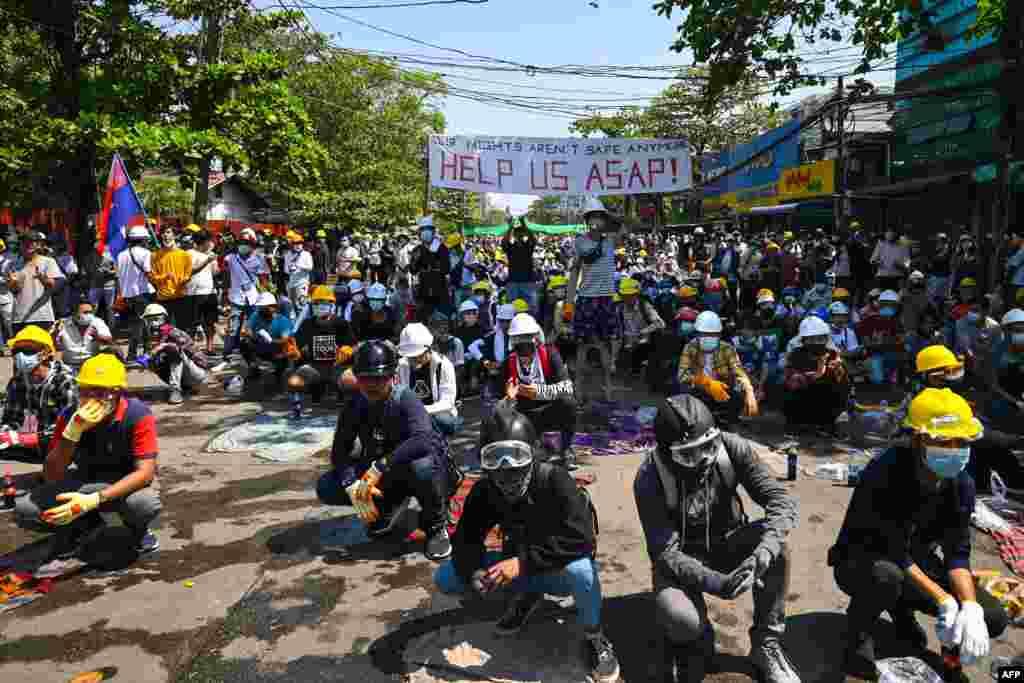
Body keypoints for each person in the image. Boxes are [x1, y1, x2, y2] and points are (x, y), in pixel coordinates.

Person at [434, 403, 620, 683]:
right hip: (522, 564)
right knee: (447, 577)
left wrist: (522, 563)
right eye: (495, 458)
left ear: (532, 454)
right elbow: (465, 541)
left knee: (581, 571)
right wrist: (474, 572)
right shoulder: (485, 490)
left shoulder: (554, 479)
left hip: (555, 570)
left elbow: (581, 539)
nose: (505, 470)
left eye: (515, 457)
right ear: (484, 462)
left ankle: (595, 637)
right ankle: (527, 596)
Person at [829, 388, 1008, 679]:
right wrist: (944, 600)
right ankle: (858, 635)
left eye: (960, 441)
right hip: (865, 559)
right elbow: (893, 549)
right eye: (943, 441)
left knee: (991, 616)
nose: (953, 449)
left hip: (916, 562)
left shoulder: (962, 483)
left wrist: (969, 608)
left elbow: (957, 555)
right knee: (886, 577)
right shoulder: (884, 472)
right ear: (917, 439)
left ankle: (949, 657)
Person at [634, 395, 800, 683]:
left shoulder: (731, 447)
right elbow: (665, 553)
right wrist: (718, 583)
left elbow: (779, 500)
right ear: (666, 452)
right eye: (688, 454)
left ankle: (766, 643)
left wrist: (764, 550)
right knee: (680, 619)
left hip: (730, 540)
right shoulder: (649, 477)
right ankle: (697, 636)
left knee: (779, 548)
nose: (704, 460)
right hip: (683, 557)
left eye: (709, 447)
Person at [14, 354, 161, 559]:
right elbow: (52, 474)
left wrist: (94, 499)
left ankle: (138, 530)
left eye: (99, 391)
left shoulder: (137, 415)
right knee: (26, 510)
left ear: (117, 393)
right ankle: (84, 527)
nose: (91, 397)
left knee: (143, 505)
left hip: (127, 481)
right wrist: (71, 433)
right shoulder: (70, 416)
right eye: (85, 390)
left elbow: (145, 473)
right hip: (86, 478)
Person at [318, 340, 453, 560]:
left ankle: (436, 525)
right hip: (380, 472)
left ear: (392, 377)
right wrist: (350, 482)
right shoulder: (354, 404)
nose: (371, 385)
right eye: (365, 379)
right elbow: (339, 451)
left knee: (423, 467)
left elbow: (424, 440)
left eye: (378, 379)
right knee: (327, 486)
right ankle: (388, 505)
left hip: (408, 468)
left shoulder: (406, 399)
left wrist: (382, 465)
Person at [568, 197, 625, 405]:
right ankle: (579, 389)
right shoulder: (581, 241)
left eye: (599, 217)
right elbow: (589, 256)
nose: (596, 221)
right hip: (586, 300)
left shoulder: (611, 240)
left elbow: (623, 225)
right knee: (583, 347)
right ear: (586, 220)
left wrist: (609, 217)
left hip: (606, 299)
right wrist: (568, 302)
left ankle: (608, 388)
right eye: (592, 217)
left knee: (605, 347)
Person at [0, 325, 78, 462]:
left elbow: (71, 425)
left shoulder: (65, 381)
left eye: (28, 350)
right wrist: (5, 434)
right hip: (42, 442)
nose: (20, 355)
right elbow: (12, 418)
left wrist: (30, 438)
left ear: (46, 353)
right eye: (17, 350)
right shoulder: (18, 381)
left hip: (69, 443)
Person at [286, 285, 355, 420]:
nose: (320, 306)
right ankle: (297, 406)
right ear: (312, 305)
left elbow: (352, 344)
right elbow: (296, 345)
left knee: (351, 380)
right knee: (293, 381)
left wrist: (348, 349)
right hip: (314, 367)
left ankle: (350, 407)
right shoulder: (307, 324)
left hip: (337, 367)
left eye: (324, 303)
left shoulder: (341, 323)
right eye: (317, 303)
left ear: (332, 305)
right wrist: (294, 351)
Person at [677, 311, 758, 424]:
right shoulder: (689, 347)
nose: (708, 337)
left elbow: (738, 370)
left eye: (712, 334)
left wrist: (749, 391)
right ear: (697, 334)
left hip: (722, 388)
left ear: (719, 334)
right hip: (698, 389)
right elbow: (682, 376)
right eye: (704, 333)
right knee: (685, 393)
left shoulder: (727, 348)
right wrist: (706, 382)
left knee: (738, 399)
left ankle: (725, 421)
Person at [782, 316, 851, 436]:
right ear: (803, 340)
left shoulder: (833, 354)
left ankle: (827, 424)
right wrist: (817, 373)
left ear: (826, 339)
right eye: (811, 339)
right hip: (803, 399)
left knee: (841, 389)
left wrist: (838, 371)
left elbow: (842, 381)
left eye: (820, 338)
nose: (816, 342)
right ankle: (795, 424)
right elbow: (792, 381)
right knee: (786, 391)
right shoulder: (796, 355)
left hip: (825, 399)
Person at [217, 229, 269, 370]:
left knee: (254, 327)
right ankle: (227, 355)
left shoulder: (259, 259)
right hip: (236, 298)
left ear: (252, 245)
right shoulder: (231, 258)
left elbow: (264, 279)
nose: (243, 246)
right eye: (241, 243)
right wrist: (225, 296)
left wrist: (264, 296)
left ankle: (256, 355)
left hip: (253, 298)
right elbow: (223, 271)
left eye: (246, 243)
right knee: (233, 328)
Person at [396, 323, 461, 436]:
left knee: (444, 421)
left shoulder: (444, 365)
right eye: (410, 357)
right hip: (411, 415)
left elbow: (447, 402)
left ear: (428, 349)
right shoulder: (401, 366)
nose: (413, 361)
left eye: (417, 356)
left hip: (436, 414)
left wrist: (420, 411)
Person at [137, 303, 210, 405]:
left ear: (163, 318)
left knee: (173, 352)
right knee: (152, 361)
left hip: (196, 373)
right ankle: (182, 386)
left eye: (156, 319)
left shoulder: (173, 332)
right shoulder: (150, 336)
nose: (153, 323)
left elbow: (185, 349)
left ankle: (175, 390)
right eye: (149, 320)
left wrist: (162, 346)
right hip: (184, 374)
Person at [9, 231, 61, 337]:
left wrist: (42, 278)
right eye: (25, 242)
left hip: (42, 317)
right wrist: (13, 283)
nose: (29, 245)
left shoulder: (48, 261)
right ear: (21, 245)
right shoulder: (14, 264)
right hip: (19, 318)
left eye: (32, 242)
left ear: (38, 245)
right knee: (20, 352)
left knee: (44, 351)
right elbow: (14, 290)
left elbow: (52, 286)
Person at [240, 292, 293, 390]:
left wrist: (271, 341)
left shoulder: (283, 321)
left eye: (264, 307)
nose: (261, 310)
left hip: (277, 350)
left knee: (285, 354)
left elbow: (286, 340)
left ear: (273, 307)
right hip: (261, 346)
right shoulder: (257, 315)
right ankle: (254, 368)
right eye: (260, 307)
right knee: (244, 343)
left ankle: (279, 374)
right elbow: (247, 330)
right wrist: (254, 336)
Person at [618, 277, 666, 376]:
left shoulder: (644, 306)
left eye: (630, 295)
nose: (627, 298)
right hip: (624, 341)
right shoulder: (619, 307)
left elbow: (660, 323)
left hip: (642, 342)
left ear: (636, 294)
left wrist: (643, 332)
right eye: (625, 296)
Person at [149, 225, 194, 331]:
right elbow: (152, 278)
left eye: (168, 232)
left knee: (181, 328)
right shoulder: (155, 255)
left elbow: (188, 275)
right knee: (164, 329)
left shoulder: (185, 255)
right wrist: (165, 277)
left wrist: (185, 280)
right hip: (163, 297)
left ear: (175, 235)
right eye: (163, 233)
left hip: (180, 296)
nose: (165, 235)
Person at [857, 289, 904, 385]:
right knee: (877, 380)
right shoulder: (868, 321)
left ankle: (894, 376)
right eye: (884, 303)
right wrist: (885, 343)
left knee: (900, 356)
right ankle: (866, 373)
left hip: (891, 355)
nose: (888, 306)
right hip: (873, 355)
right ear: (879, 304)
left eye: (891, 304)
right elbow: (866, 344)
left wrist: (883, 343)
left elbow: (900, 341)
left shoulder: (897, 323)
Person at [54, 301, 114, 372]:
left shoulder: (97, 322)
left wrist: (97, 337)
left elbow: (109, 341)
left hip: (91, 365)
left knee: (114, 350)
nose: (89, 315)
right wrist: (55, 334)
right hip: (68, 365)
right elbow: (54, 345)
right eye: (85, 312)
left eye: (90, 312)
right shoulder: (62, 324)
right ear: (74, 313)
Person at [409, 216, 451, 321]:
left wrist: (433, 259)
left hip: (439, 288)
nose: (426, 232)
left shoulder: (441, 248)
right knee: (424, 317)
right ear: (419, 233)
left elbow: (446, 268)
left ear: (433, 232)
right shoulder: (417, 249)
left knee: (442, 318)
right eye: (423, 230)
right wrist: (415, 259)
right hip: (423, 289)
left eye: (428, 229)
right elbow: (413, 270)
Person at [186, 230, 220, 354]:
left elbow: (215, 272)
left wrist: (215, 263)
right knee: (192, 323)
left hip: (210, 292)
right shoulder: (189, 254)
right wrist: (206, 261)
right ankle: (191, 348)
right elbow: (189, 271)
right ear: (204, 242)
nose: (211, 243)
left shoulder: (210, 254)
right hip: (193, 293)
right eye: (209, 241)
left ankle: (209, 347)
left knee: (210, 322)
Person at [502, 217, 539, 314]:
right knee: (511, 311)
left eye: (521, 232)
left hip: (527, 282)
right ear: (513, 235)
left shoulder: (528, 246)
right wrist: (510, 227)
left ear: (523, 234)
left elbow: (533, 239)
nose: (519, 234)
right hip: (513, 282)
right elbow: (504, 241)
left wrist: (524, 224)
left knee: (531, 310)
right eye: (516, 233)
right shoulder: (510, 247)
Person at [284, 231, 314, 312]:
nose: (297, 245)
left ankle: (303, 321)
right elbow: (285, 270)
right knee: (292, 305)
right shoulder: (288, 255)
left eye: (299, 243)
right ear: (292, 244)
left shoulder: (306, 254)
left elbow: (310, 267)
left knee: (302, 303)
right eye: (295, 243)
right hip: (292, 283)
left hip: (302, 282)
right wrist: (290, 269)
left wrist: (299, 266)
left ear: (302, 244)